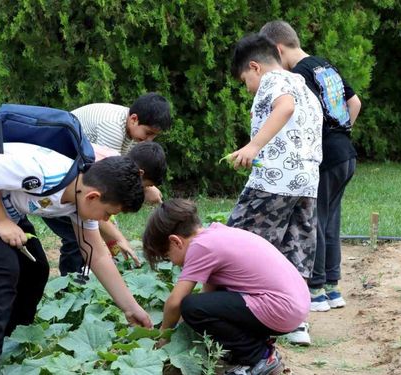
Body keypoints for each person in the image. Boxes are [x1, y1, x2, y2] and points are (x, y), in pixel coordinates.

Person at [0, 143, 153, 375]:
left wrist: (131, 308)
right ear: (93, 196)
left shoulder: (81, 196)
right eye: (108, 214)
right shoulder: (44, 174)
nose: (106, 219)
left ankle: (12, 341)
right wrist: (0, 222)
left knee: (35, 269)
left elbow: (97, 255)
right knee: (2, 272)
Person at [225, 33, 323, 345]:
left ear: (255, 67)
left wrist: (253, 146)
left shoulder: (273, 81)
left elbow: (284, 107)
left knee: (236, 241)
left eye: (244, 81)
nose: (247, 88)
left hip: (274, 180)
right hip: (307, 182)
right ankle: (296, 323)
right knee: (296, 245)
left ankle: (234, 317)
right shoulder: (303, 85)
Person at [260, 20, 361, 314]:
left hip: (326, 156)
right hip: (346, 153)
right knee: (330, 221)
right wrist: (341, 132)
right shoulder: (324, 65)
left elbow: (300, 114)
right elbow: (355, 102)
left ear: (278, 50)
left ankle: (315, 290)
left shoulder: (299, 75)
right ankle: (332, 286)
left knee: (314, 220)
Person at [142, 199, 309, 375]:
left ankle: (258, 357)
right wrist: (182, 333)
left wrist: (164, 335)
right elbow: (210, 297)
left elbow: (175, 303)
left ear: (176, 242)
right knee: (201, 306)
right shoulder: (216, 234)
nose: (173, 264)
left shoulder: (200, 247)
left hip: (281, 309)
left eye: (168, 256)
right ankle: (257, 347)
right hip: (294, 305)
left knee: (190, 305)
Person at [45, 93, 172, 275]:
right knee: (77, 236)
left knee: (86, 230)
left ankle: (80, 276)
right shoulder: (111, 128)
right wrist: (116, 239)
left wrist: (147, 186)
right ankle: (70, 286)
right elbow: (105, 190)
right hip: (54, 179)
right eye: (149, 133)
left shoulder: (129, 128)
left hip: (74, 177)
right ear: (134, 119)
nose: (149, 140)